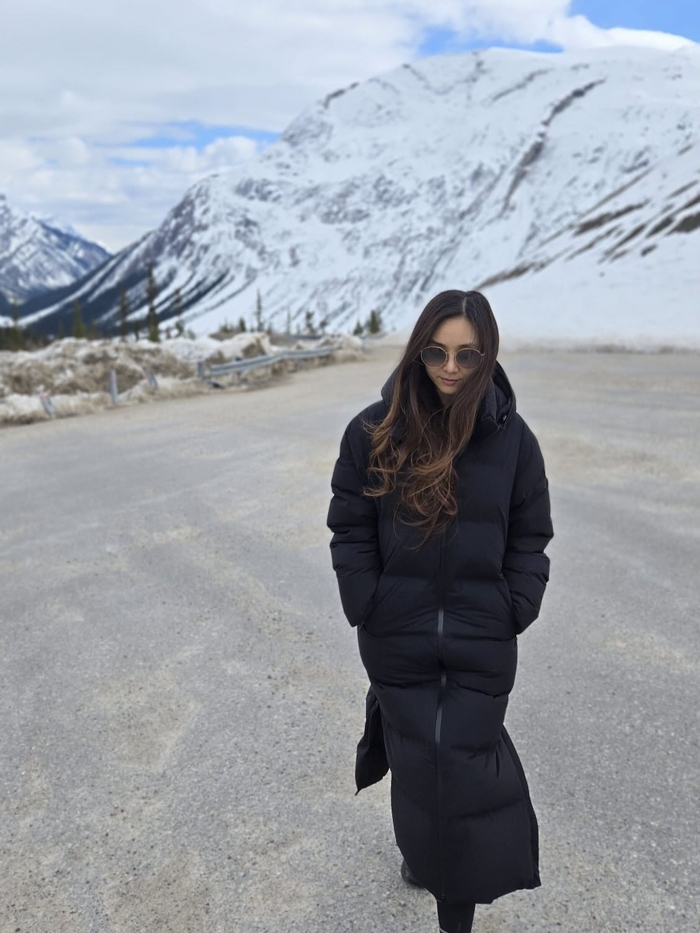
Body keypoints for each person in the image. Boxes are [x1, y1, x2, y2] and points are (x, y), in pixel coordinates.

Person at [326, 290, 554, 933]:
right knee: (417, 763)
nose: (450, 368)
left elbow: (531, 534)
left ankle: (453, 910)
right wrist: (367, 599)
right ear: (418, 351)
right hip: (395, 634)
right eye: (436, 352)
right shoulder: (373, 431)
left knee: (463, 768)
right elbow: (349, 523)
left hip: (482, 640)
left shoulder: (515, 442)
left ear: (487, 356)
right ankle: (420, 854)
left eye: (466, 355)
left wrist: (514, 605)